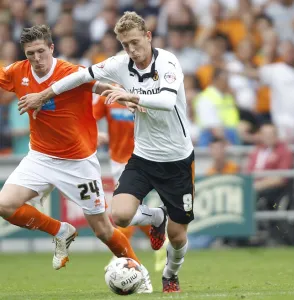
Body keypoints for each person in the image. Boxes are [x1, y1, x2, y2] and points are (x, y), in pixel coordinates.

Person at [19, 12, 195, 293]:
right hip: (143, 157)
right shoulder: (119, 64)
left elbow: (166, 100)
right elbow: (80, 76)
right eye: (126, 45)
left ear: (148, 37)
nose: (132, 50)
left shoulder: (168, 62)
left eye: (136, 42)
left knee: (177, 236)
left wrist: (129, 96)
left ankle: (171, 274)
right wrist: (44, 95)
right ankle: (156, 217)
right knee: (120, 215)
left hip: (177, 159)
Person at [0, 25, 152, 293]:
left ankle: (139, 274)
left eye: (40, 52)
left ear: (51, 49)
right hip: (40, 157)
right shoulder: (17, 72)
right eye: (30, 53)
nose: (36, 58)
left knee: (104, 230)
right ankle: (61, 231)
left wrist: (123, 97)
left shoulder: (69, 72)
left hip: (78, 162)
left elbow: (99, 85)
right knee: (5, 205)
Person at [93, 93, 166, 272]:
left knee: (125, 210)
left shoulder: (144, 92)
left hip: (144, 158)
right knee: (128, 212)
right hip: (118, 160)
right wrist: (95, 133)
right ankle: (162, 241)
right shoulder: (108, 95)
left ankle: (119, 255)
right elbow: (89, 116)